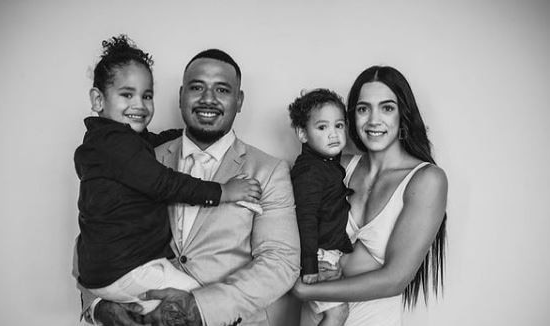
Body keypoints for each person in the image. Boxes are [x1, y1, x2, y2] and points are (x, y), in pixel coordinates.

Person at [82, 49, 301, 326]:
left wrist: (199, 308)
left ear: (239, 100)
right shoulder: (142, 158)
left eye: (222, 89)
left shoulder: (269, 170)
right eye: (197, 87)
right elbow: (96, 231)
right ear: (180, 96)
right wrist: (98, 306)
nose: (208, 98)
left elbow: (281, 263)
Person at [293, 66, 448, 326]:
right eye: (364, 109)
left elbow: (395, 279)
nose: (374, 120)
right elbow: (295, 218)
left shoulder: (426, 180)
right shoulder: (337, 166)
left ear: (403, 115)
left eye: (387, 108)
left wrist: (305, 289)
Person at [288, 89, 353, 326]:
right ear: (303, 133)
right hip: (317, 256)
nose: (333, 134)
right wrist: (310, 266)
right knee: (337, 312)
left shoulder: (327, 165)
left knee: (314, 317)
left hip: (326, 254)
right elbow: (305, 218)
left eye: (339, 125)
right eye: (322, 127)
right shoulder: (310, 171)